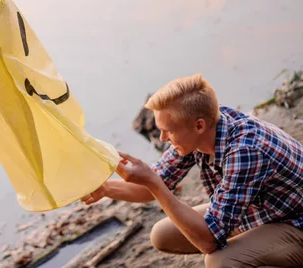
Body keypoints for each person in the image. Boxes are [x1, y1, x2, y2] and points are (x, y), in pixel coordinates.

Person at [81, 74, 303, 267]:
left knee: (220, 261)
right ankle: (253, 245)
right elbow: (152, 184)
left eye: (168, 131)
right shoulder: (206, 126)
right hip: (259, 211)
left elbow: (208, 242)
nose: (162, 139)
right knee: (162, 235)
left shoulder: (245, 151)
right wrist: (107, 188)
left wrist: (154, 184)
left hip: (294, 223)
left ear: (198, 126)